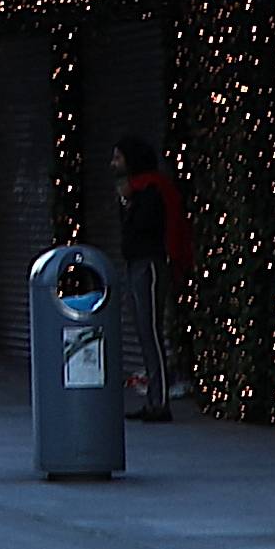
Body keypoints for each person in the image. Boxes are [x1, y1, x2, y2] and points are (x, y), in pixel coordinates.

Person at [112, 136, 191, 419]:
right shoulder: (137, 191)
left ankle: (159, 400)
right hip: (139, 263)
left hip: (150, 264)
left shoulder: (150, 190)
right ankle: (155, 398)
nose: (114, 164)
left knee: (151, 330)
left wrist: (128, 203)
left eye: (119, 158)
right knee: (145, 331)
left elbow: (144, 229)